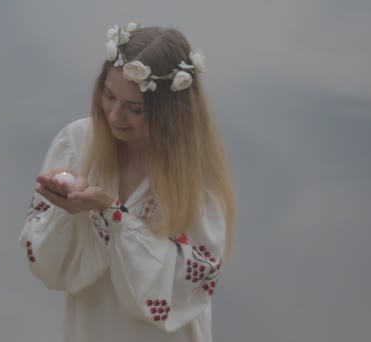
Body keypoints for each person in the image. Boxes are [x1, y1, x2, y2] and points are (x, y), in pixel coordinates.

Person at [18, 22, 236, 342]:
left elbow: (191, 287)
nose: (116, 116)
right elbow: (47, 267)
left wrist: (112, 213)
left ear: (170, 114)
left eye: (135, 109)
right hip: (90, 327)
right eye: (109, 96)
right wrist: (64, 210)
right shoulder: (77, 143)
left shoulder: (196, 178)